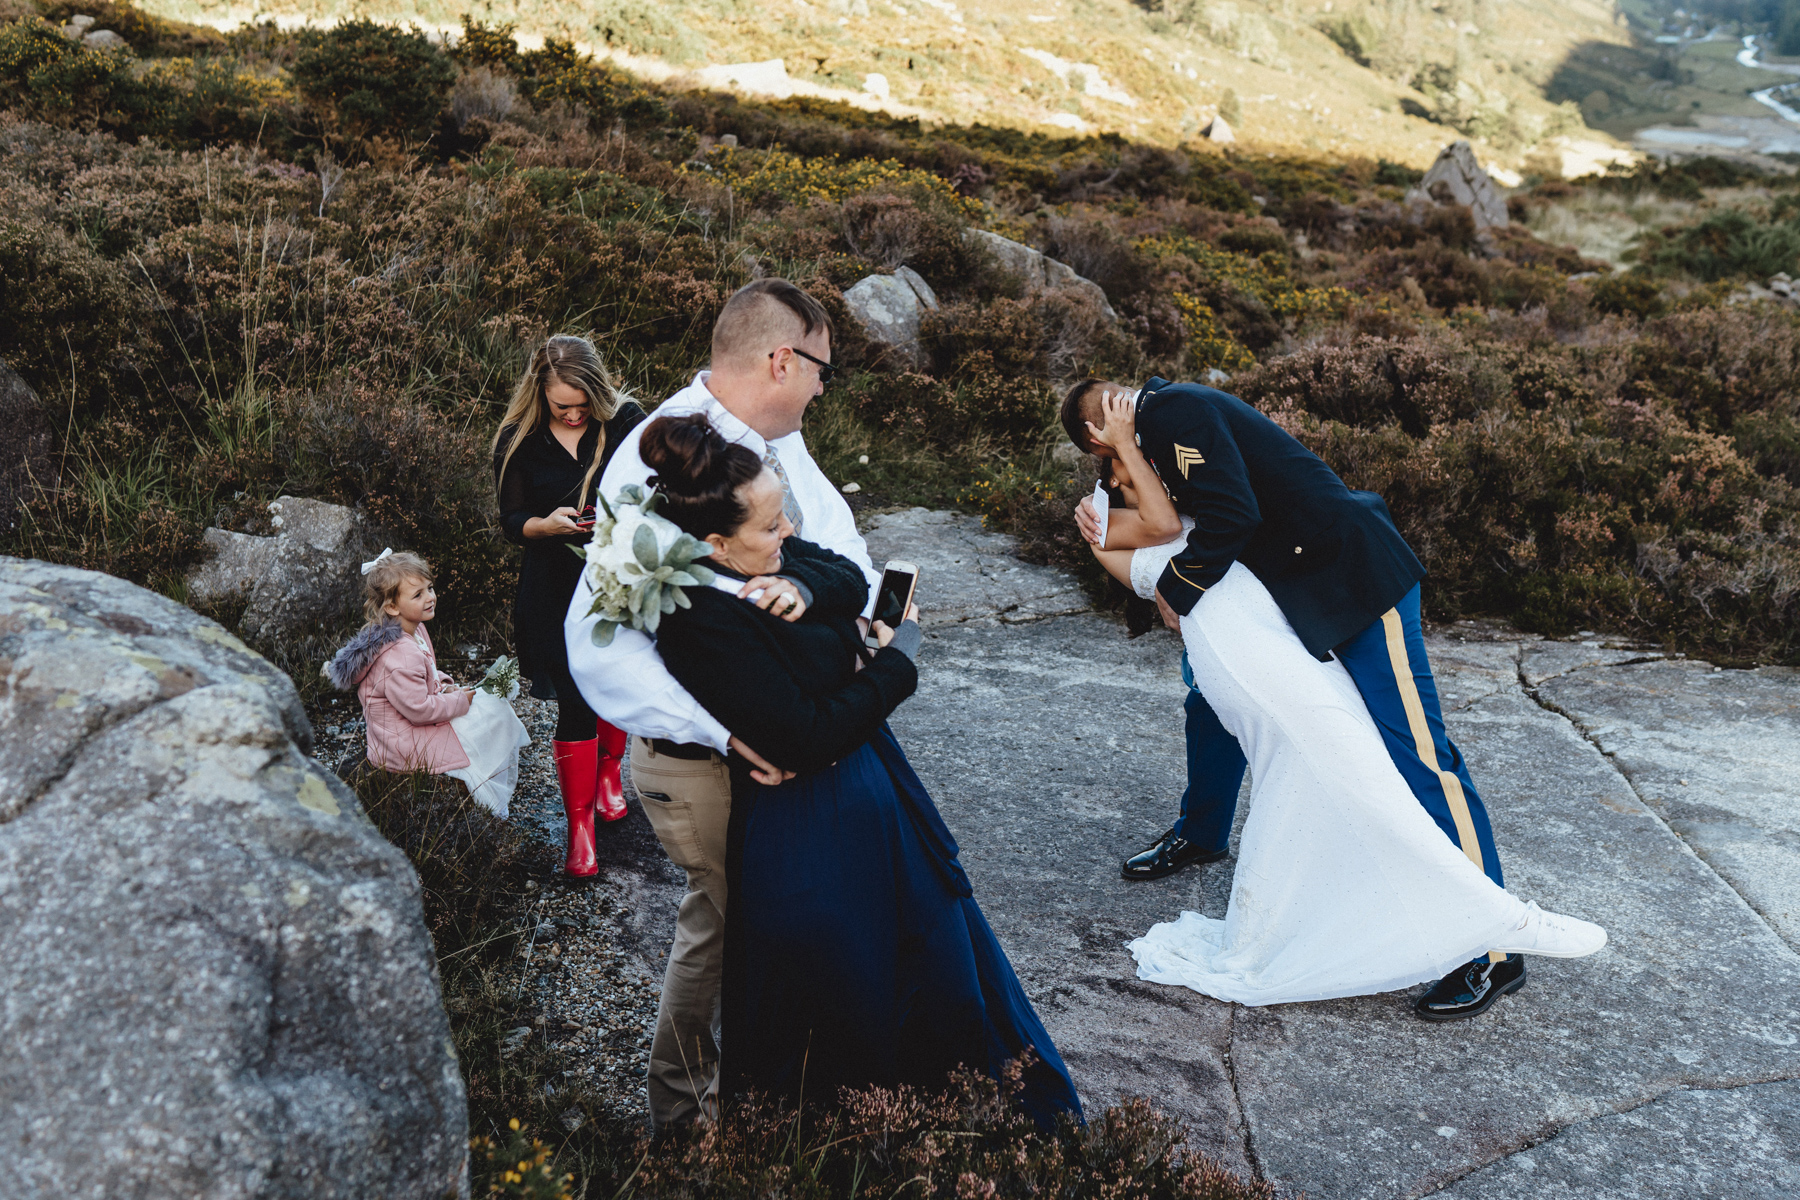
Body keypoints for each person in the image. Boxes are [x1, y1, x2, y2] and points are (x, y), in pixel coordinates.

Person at [1063, 378, 1607, 1017]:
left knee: (1418, 754)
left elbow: (1233, 513)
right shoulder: (1150, 441)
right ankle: (1203, 832)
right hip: (1295, 599)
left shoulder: (1172, 411)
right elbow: (1173, 517)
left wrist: (1175, 592)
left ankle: (1491, 948)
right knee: (1210, 705)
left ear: (1096, 436)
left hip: (1353, 584)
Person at [635, 412, 1082, 1125]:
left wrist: (807, 590)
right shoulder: (698, 616)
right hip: (808, 827)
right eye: (770, 529)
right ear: (715, 544)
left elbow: (843, 572)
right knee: (844, 983)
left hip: (864, 791)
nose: (786, 536)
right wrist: (897, 663)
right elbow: (803, 739)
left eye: (785, 521)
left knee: (930, 959)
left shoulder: (773, 563)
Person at [564, 279, 883, 1135]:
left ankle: (763, 1088)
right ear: (784, 360)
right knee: (723, 923)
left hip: (780, 731)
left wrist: (870, 601)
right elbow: (592, 637)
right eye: (822, 369)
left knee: (771, 914)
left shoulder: (774, 437)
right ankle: (684, 1113)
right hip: (711, 760)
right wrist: (726, 730)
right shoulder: (659, 463)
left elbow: (825, 541)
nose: (824, 387)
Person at [494, 335, 646, 877]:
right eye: (563, 406)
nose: (576, 414)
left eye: (585, 404)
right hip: (553, 587)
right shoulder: (518, 439)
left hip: (616, 578)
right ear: (541, 394)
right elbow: (512, 521)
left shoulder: (626, 421)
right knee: (576, 699)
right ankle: (580, 828)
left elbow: (658, 492)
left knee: (616, 682)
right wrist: (544, 525)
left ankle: (610, 774)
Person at [326, 549, 531, 815]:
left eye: (430, 589)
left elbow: (428, 672)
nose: (430, 598)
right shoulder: (400, 653)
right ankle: (480, 792)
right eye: (418, 595)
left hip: (406, 727)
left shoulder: (415, 629)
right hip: (402, 745)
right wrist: (458, 701)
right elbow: (419, 709)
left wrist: (445, 685)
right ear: (391, 606)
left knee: (491, 708)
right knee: (490, 716)